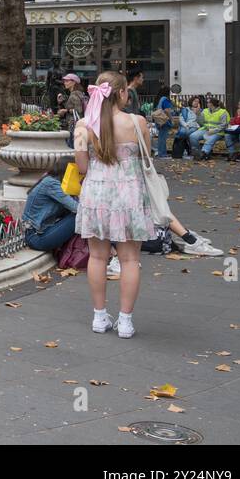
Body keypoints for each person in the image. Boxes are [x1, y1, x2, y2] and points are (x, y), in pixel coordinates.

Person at [73, 70, 154, 339]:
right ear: (121, 92)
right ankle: (126, 321)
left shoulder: (84, 125)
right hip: (130, 194)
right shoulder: (137, 122)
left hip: (96, 193)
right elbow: (147, 157)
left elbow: (82, 166)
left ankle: (99, 317)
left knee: (97, 256)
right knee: (130, 259)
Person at [23, 159, 78, 252]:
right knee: (80, 216)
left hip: (44, 232)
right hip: (37, 238)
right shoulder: (51, 183)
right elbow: (77, 208)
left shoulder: (54, 181)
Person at [60, 73, 85, 148]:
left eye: (67, 81)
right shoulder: (78, 93)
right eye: (64, 81)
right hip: (76, 125)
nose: (65, 83)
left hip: (73, 125)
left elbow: (78, 110)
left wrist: (65, 111)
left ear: (74, 82)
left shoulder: (74, 94)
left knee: (72, 148)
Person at [151, 86, 176, 158]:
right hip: (164, 120)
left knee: (161, 137)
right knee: (163, 138)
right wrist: (171, 119)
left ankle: (161, 153)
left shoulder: (158, 99)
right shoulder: (165, 99)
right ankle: (162, 154)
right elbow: (167, 110)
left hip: (159, 120)